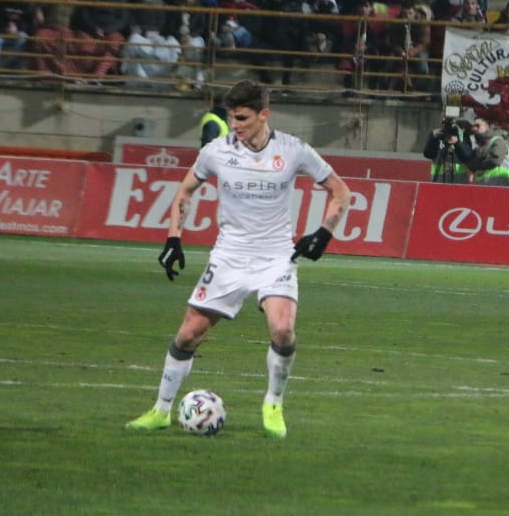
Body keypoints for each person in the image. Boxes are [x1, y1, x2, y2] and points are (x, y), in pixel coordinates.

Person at [126, 81, 351, 439]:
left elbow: (340, 191)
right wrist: (173, 237)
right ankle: (160, 410)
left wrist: (323, 233)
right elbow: (185, 190)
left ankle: (273, 403)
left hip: (276, 256)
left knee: (283, 330)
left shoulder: (293, 150)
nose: (235, 126)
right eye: (231, 118)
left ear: (264, 115)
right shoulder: (216, 151)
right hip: (229, 255)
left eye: (243, 118)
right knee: (188, 335)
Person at [455, 116, 509, 185]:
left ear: (487, 127)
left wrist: (478, 165)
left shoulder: (498, 141)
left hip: (499, 186)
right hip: (484, 187)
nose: (474, 128)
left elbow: (494, 161)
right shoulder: (480, 148)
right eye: (473, 127)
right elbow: (471, 165)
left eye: (477, 126)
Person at [422, 112, 468, 183]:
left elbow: (467, 156)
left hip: (458, 183)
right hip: (439, 183)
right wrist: (433, 137)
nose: (450, 126)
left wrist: (457, 142)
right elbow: (428, 154)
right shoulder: (437, 136)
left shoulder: (462, 136)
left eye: (452, 122)